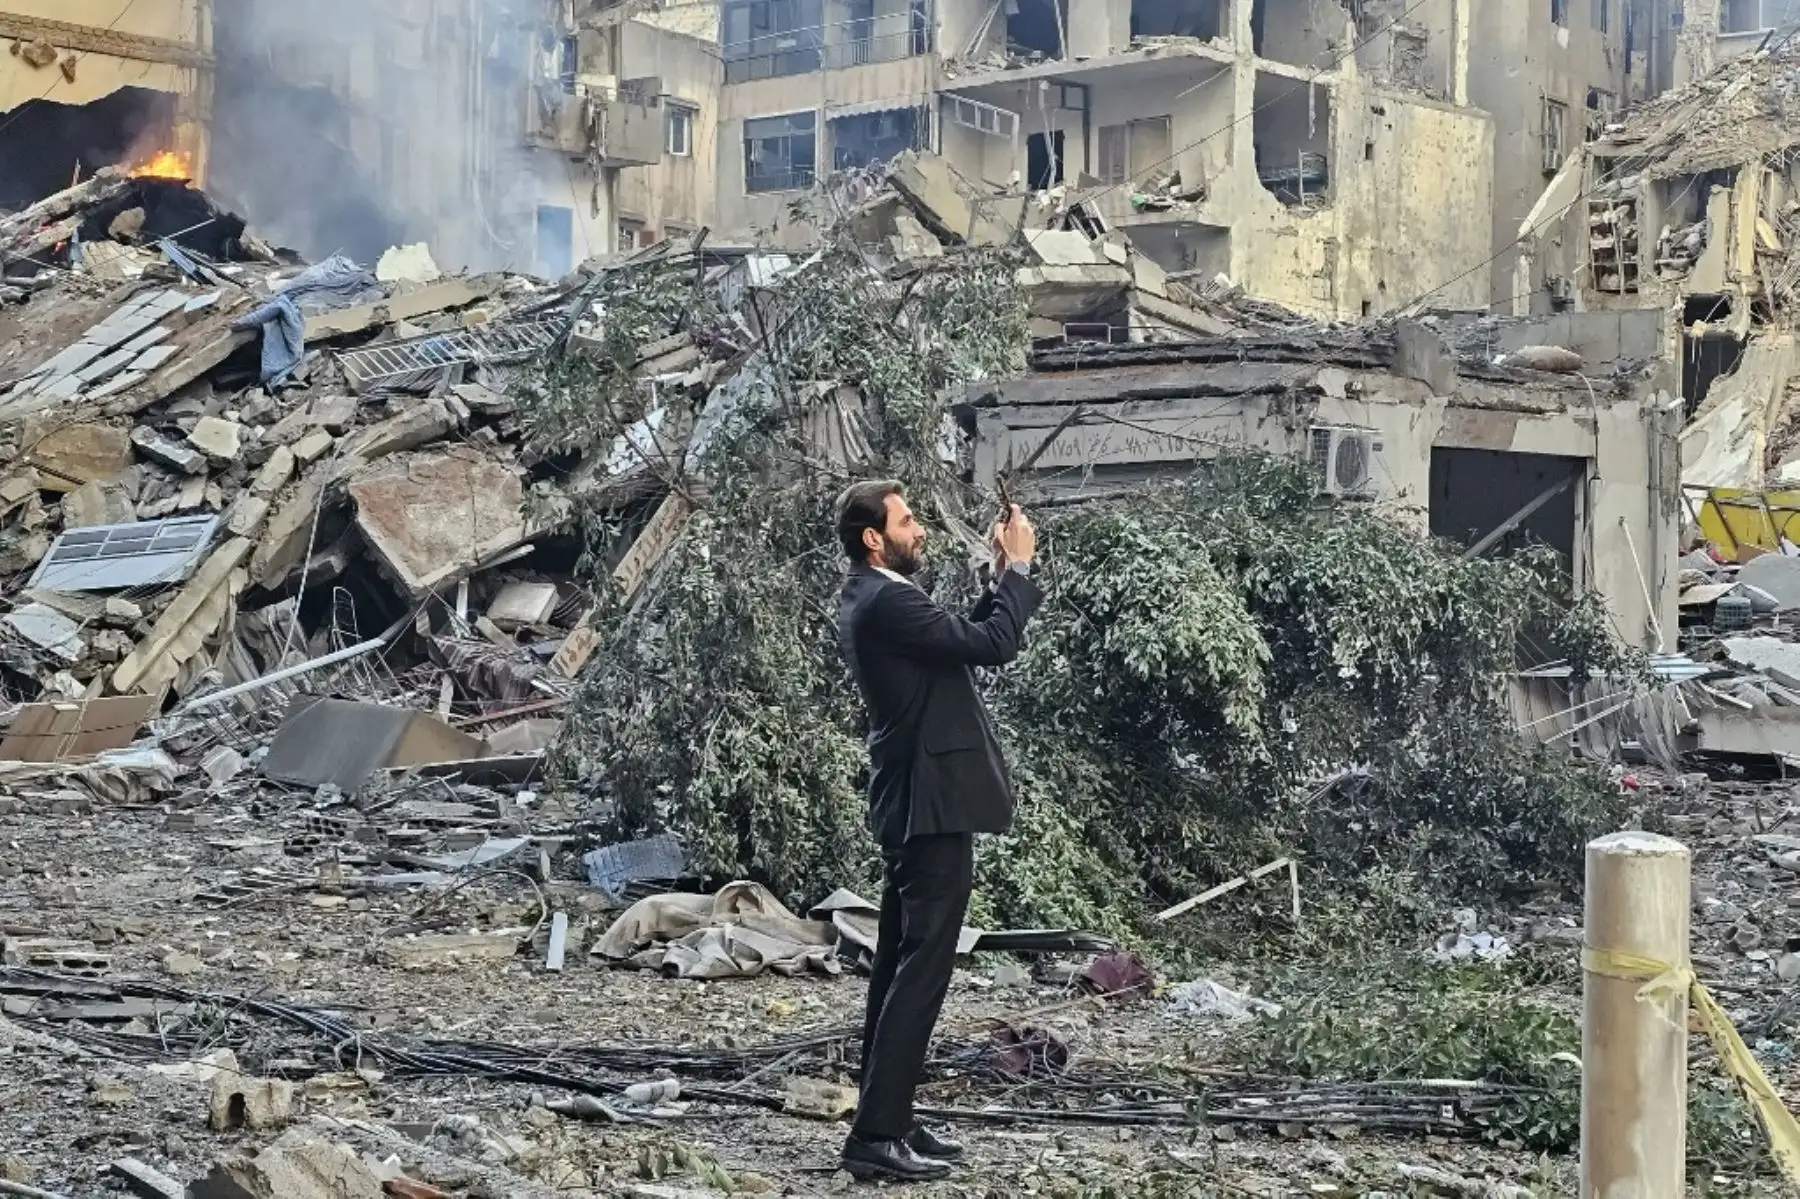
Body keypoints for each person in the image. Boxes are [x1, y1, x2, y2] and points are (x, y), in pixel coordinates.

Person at [831, 479, 1043, 1182]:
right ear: (873, 536)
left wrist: (998, 576)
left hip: (914, 802)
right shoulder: (887, 599)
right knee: (922, 968)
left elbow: (959, 643)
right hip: (930, 805)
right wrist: (1021, 570)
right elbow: (993, 644)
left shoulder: (879, 596)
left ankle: (886, 1116)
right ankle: (876, 1135)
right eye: (909, 519)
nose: (920, 530)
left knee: (897, 963)